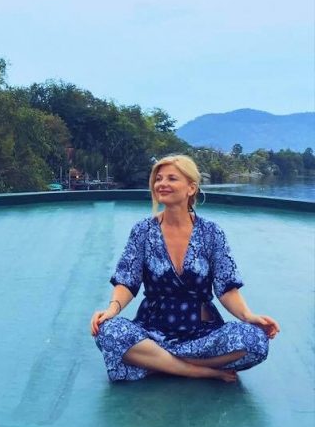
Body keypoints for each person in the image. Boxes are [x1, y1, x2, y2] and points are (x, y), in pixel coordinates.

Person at [90, 154, 279, 382]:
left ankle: (156, 363)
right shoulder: (143, 231)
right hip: (152, 331)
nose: (162, 184)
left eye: (171, 178)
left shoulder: (211, 232)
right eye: (158, 179)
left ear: (191, 188)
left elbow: (227, 288)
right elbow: (127, 281)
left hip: (202, 332)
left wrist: (249, 316)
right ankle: (198, 371)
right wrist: (112, 310)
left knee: (255, 341)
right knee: (108, 331)